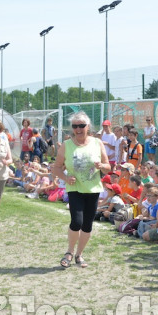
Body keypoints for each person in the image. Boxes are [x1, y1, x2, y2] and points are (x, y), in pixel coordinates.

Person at [52, 111, 110, 268]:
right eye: (75, 126)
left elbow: (108, 167)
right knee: (76, 221)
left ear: (88, 127)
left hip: (92, 189)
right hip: (74, 188)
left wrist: (101, 166)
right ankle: (69, 252)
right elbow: (56, 168)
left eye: (81, 126)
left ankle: (79, 255)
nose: (78, 129)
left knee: (87, 225)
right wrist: (65, 179)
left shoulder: (97, 143)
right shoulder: (66, 145)